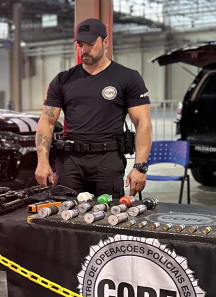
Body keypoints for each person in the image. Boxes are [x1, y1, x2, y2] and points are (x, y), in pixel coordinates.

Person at [34, 18, 152, 198]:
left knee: (107, 213)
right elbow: (47, 121)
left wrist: (140, 166)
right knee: (65, 212)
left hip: (107, 161)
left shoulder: (127, 77)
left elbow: (143, 122)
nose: (84, 50)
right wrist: (42, 162)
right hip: (69, 162)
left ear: (105, 42)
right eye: (80, 45)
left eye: (90, 44)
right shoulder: (62, 80)